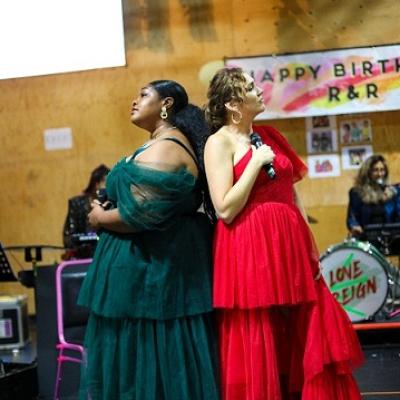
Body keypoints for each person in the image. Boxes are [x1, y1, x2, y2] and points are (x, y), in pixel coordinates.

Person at [204, 67, 364, 400]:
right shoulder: (217, 143)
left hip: (288, 242)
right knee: (259, 329)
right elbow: (225, 209)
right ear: (234, 104)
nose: (259, 90)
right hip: (248, 245)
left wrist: (308, 242)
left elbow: (292, 193)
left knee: (306, 319)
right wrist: (253, 163)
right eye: (251, 86)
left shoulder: (271, 135)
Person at [77, 80, 219, 399]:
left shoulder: (169, 146)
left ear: (166, 104)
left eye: (144, 95)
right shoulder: (158, 143)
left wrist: (100, 218)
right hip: (144, 274)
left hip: (156, 276)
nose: (134, 100)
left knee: (155, 358)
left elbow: (143, 213)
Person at [347, 154, 400, 239]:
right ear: (368, 172)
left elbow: (398, 215)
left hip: (389, 238)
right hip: (366, 238)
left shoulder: (393, 192)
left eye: (382, 170)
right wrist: (354, 227)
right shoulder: (357, 193)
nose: (379, 174)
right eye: (375, 170)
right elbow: (352, 218)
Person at [63, 164, 110, 256]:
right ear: (96, 184)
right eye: (106, 183)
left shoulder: (111, 203)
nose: (108, 187)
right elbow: (68, 236)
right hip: (82, 255)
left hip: (104, 253)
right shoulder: (77, 203)